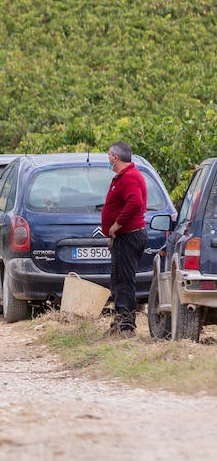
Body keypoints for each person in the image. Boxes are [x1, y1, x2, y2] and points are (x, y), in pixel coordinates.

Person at [101, 141, 147, 336]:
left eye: (109, 156)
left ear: (115, 157)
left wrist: (117, 225)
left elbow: (135, 203)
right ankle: (120, 321)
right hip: (122, 237)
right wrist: (113, 234)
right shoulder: (122, 177)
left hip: (129, 236)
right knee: (118, 279)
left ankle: (126, 326)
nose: (108, 159)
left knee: (124, 281)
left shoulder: (129, 177)